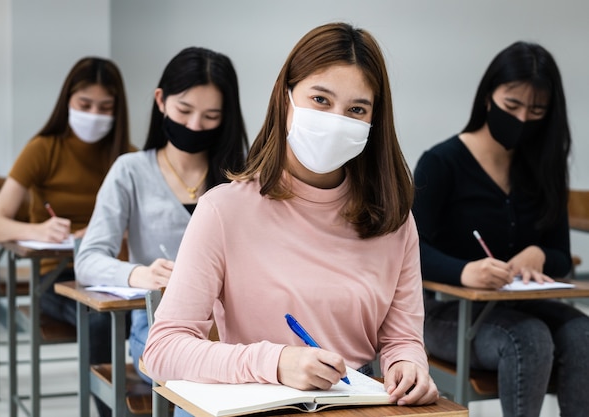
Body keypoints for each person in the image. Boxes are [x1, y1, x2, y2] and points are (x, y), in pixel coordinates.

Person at [143, 22, 438, 407]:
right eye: (320, 100)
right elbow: (162, 351)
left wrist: (410, 366)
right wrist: (277, 361)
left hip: (356, 403)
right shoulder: (223, 209)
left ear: (373, 120)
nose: (337, 120)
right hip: (254, 403)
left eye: (356, 109)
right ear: (286, 99)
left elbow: (402, 341)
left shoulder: (394, 219)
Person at [412, 41, 589, 417]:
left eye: (537, 111)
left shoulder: (543, 169)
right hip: (448, 313)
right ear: (488, 97)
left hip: (522, 307)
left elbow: (561, 258)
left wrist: (540, 254)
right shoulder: (441, 163)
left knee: (583, 333)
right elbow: (408, 250)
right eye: (513, 106)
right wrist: (464, 271)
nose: (523, 119)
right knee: (528, 338)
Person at [74, 47, 249, 384]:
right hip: (159, 325)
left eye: (211, 116)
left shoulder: (243, 175)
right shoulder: (130, 171)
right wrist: (140, 274)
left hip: (238, 328)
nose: (195, 125)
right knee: (197, 377)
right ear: (161, 100)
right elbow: (88, 260)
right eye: (184, 110)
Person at [0, 56, 134, 417]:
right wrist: (39, 230)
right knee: (102, 320)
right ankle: (113, 411)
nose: (94, 114)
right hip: (57, 278)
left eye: (105, 107)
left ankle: (151, 404)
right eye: (85, 105)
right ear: (68, 101)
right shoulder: (43, 149)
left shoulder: (126, 156)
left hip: (114, 277)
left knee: (148, 317)